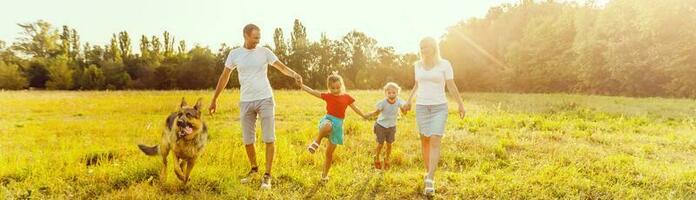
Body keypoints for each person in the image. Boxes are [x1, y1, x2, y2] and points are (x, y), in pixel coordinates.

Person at [209, 23, 302, 190]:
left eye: (259, 38)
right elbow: (224, 77)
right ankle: (254, 170)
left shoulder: (264, 52)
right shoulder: (234, 54)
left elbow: (281, 67)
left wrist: (294, 74)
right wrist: (215, 99)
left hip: (265, 98)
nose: (257, 41)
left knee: (269, 138)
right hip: (246, 101)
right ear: (245, 35)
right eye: (254, 38)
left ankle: (267, 176)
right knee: (247, 140)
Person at [403, 37, 466, 196]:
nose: (423, 50)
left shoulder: (445, 64)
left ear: (433, 48)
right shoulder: (417, 65)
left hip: (439, 107)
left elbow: (451, 85)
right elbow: (417, 85)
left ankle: (430, 179)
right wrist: (409, 101)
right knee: (424, 141)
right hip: (422, 107)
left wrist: (460, 104)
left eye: (425, 47)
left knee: (435, 140)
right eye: (421, 47)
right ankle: (428, 172)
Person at [297, 71, 369, 182]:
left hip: (338, 125)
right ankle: (317, 142)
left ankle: (324, 176)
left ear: (341, 85)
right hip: (329, 119)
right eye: (333, 88)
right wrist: (301, 85)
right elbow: (312, 91)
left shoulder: (346, 97)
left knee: (329, 154)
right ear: (329, 88)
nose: (335, 90)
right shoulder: (328, 96)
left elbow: (355, 108)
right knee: (327, 125)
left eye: (337, 87)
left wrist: (363, 115)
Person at [365, 82, 407, 170]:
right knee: (380, 143)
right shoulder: (383, 102)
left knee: (389, 144)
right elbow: (377, 112)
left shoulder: (399, 101)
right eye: (389, 93)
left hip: (391, 126)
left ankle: (387, 159)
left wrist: (405, 109)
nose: (391, 95)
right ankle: (376, 157)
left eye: (394, 93)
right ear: (386, 93)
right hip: (381, 125)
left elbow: (404, 112)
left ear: (397, 93)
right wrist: (368, 115)